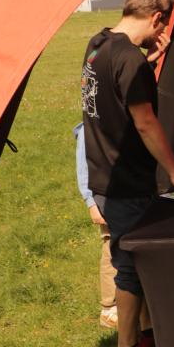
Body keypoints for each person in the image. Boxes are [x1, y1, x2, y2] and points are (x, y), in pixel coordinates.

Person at [81, 0, 174, 347]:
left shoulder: (99, 44)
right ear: (157, 17)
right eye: (163, 25)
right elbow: (145, 123)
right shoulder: (129, 59)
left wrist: (148, 61)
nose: (161, 33)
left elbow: (113, 88)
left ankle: (147, 334)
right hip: (126, 180)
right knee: (130, 264)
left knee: (135, 258)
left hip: (102, 175)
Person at [73, 122, 118, 329]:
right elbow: (83, 167)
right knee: (111, 248)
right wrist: (90, 202)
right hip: (104, 198)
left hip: (127, 195)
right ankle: (110, 307)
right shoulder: (89, 128)